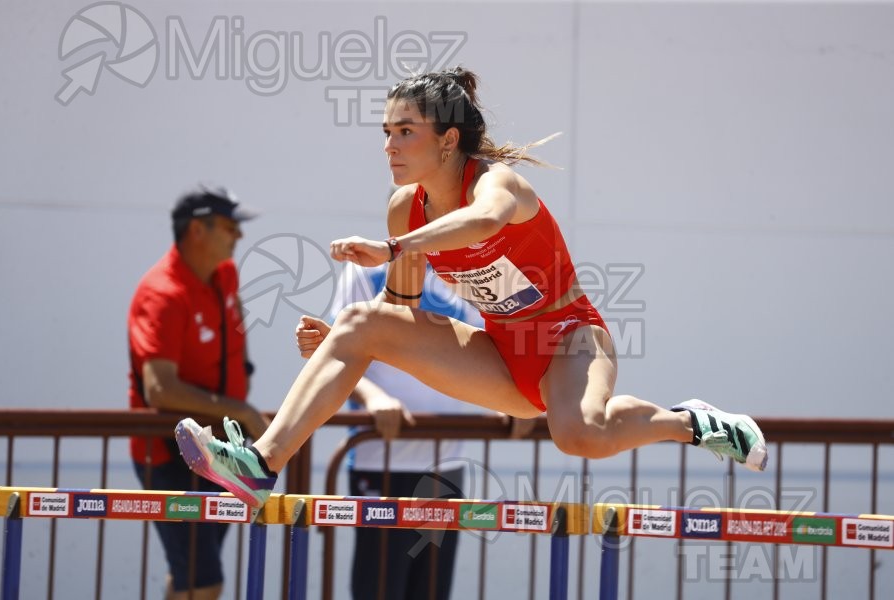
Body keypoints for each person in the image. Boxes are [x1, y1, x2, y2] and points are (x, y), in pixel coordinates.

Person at [173, 67, 768, 517]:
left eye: (405, 132)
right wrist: (343, 346)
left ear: (449, 140)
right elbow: (397, 311)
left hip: (567, 337)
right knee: (360, 322)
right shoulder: (405, 209)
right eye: (386, 132)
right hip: (502, 352)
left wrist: (394, 249)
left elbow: (483, 224)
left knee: (579, 433)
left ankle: (690, 422)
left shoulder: (496, 183)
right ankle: (260, 463)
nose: (390, 145)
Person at [128, 185, 269, 600]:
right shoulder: (162, 294)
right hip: (171, 456)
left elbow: (232, 338)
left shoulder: (223, 273)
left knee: (191, 578)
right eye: (229, 227)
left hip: (220, 453)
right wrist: (239, 407)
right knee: (204, 582)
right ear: (197, 231)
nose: (239, 237)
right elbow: (159, 389)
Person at [325, 261, 484, 600]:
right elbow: (336, 350)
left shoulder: (467, 272)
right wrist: (372, 396)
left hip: (445, 467)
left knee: (431, 592)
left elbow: (491, 354)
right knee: (380, 590)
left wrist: (518, 405)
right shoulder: (365, 271)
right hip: (381, 463)